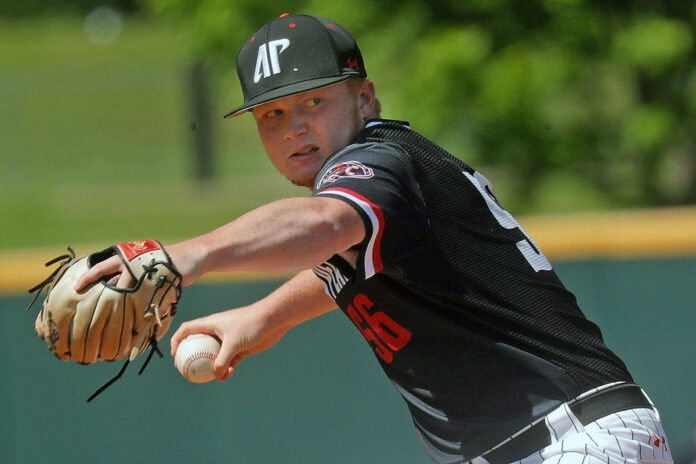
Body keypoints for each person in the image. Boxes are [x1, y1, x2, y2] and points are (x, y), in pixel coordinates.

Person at [75, 13, 673, 464]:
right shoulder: (383, 191)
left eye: (314, 100)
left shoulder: (380, 161)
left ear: (364, 96)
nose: (295, 126)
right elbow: (339, 258)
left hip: (571, 439)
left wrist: (184, 255)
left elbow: (328, 226)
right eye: (272, 115)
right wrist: (263, 318)